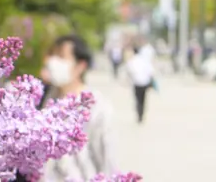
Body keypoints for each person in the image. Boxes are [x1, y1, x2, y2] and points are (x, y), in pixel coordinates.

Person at [40, 35, 113, 181]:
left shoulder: (98, 106)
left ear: (81, 65)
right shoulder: (46, 97)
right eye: (52, 55)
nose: (53, 62)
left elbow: (107, 159)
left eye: (61, 57)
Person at [127, 38, 157, 123]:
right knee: (143, 99)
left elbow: (129, 71)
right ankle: (141, 114)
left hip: (136, 83)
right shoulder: (145, 61)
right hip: (144, 82)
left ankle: (138, 112)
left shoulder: (132, 61)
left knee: (137, 99)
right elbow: (151, 72)